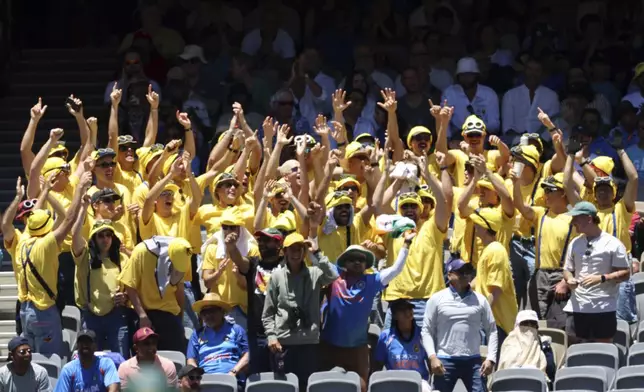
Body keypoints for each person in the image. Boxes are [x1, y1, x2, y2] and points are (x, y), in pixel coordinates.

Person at [320, 234, 415, 392]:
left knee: (362, 388)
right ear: (344, 263)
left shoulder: (373, 281)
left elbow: (397, 269)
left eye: (361, 259)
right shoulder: (334, 275)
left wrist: (406, 243)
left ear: (366, 264)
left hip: (358, 348)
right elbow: (317, 257)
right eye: (352, 259)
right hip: (330, 345)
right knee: (326, 387)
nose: (357, 262)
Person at [17, 169, 90, 356]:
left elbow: (34, 215)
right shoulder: (47, 244)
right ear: (47, 229)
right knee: (51, 360)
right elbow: (69, 218)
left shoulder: (24, 239)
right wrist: (80, 189)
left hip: (26, 311)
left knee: (30, 360)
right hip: (44, 312)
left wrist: (45, 191)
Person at [261, 232, 338, 391]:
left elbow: (333, 275)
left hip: (308, 342)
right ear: (285, 251)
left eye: (300, 249)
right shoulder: (276, 276)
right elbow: (268, 312)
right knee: (284, 387)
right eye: (292, 249)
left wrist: (316, 253)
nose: (296, 253)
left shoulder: (314, 273)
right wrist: (271, 336)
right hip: (283, 343)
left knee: (307, 386)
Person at [421, 257, 497, 392]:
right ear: (449, 275)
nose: (465, 275)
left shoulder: (480, 300)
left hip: (473, 360)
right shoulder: (436, 299)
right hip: (445, 359)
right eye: (460, 271)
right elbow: (426, 330)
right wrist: (432, 357)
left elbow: (492, 330)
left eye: (467, 271)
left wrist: (490, 358)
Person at [71, 198, 130, 358]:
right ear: (94, 239)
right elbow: (75, 235)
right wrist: (83, 207)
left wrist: (125, 297)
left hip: (116, 317)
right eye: (100, 236)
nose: (105, 239)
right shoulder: (84, 259)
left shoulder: (122, 259)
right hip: (91, 317)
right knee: (89, 360)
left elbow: (131, 290)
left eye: (108, 235)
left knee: (121, 359)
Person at [563, 201, 630, 343]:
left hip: (603, 308)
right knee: (575, 351)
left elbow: (625, 273)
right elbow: (567, 269)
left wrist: (603, 278)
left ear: (589, 219)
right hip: (577, 307)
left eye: (576, 218)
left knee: (602, 351)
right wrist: (569, 279)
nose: (573, 221)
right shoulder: (574, 243)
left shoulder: (612, 243)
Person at [118, 236, 192, 352]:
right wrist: (142, 315)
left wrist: (179, 317)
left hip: (170, 316)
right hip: (146, 317)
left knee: (176, 361)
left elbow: (179, 290)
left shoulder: (184, 252)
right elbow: (129, 284)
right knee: (146, 364)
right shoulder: (141, 251)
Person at [187, 293, 249, 385]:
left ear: (222, 311)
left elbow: (247, 355)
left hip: (232, 379)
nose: (208, 315)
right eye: (204, 313)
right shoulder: (197, 334)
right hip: (206, 381)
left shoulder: (236, 330)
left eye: (212, 311)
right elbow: (191, 360)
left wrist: (233, 372)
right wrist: (198, 376)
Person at [374, 300, 431, 392]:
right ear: (395, 316)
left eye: (410, 309)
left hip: (419, 381)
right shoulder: (386, 336)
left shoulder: (422, 335)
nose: (407, 312)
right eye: (403, 310)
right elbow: (378, 365)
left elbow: (430, 361)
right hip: (394, 381)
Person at [496, 310, 554, 383]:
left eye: (532, 324)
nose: (528, 329)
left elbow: (550, 369)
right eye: (525, 324)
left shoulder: (543, 344)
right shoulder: (508, 343)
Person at [55, 330, 120, 392]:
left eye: (88, 342)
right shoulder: (68, 370)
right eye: (81, 342)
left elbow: (114, 390)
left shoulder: (106, 364)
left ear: (95, 346)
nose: (84, 345)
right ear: (77, 347)